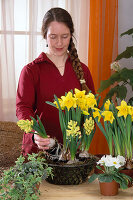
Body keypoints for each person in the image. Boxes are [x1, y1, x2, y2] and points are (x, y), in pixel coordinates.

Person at [16, 7, 95, 156]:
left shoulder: (83, 70)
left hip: (73, 154)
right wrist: (34, 133)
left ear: (71, 35)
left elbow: (91, 109)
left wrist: (85, 138)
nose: (59, 43)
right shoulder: (31, 70)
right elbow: (22, 108)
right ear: (45, 36)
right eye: (53, 37)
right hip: (39, 151)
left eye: (64, 36)